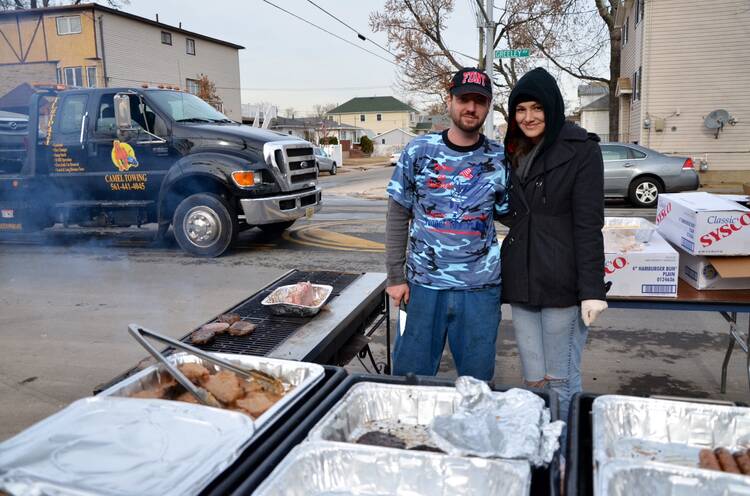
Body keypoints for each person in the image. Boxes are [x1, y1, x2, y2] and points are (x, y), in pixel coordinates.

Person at [500, 67, 608, 434]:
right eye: (520, 109)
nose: (528, 117)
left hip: (562, 282)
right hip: (523, 279)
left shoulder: (581, 150)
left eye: (536, 108)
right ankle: (540, 444)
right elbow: (516, 212)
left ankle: (565, 446)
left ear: (552, 107)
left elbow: (589, 225)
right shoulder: (514, 150)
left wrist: (592, 290)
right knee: (533, 378)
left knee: (560, 377)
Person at [385, 67, 509, 381]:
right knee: (409, 379)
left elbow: (514, 215)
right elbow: (398, 215)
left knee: (477, 382)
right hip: (423, 287)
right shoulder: (419, 151)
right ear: (449, 100)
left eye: (479, 101)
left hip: (480, 290)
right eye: (464, 99)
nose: (471, 107)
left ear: (488, 106)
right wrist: (395, 276)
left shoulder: (499, 157)